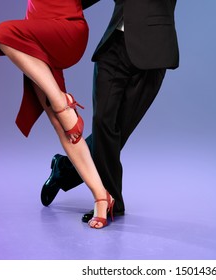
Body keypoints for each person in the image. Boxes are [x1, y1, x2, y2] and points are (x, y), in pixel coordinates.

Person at [40, 0, 180, 223]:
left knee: (114, 135)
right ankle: (109, 200)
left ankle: (64, 168)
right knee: (103, 124)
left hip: (154, 53)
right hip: (113, 47)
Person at [0, 0, 115, 229]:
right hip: (34, 37)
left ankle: (61, 102)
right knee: (62, 126)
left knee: (3, 33)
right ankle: (102, 197)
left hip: (65, 29)